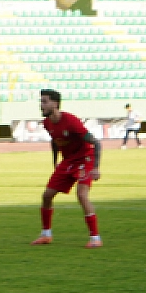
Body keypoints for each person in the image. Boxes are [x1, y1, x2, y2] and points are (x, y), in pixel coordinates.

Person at [32, 88, 103, 248]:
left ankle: (95, 237)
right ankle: (46, 235)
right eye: (41, 101)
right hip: (68, 161)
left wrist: (96, 167)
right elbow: (55, 140)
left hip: (85, 158)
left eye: (45, 101)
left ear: (55, 104)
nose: (41, 105)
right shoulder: (47, 123)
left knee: (82, 195)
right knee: (47, 195)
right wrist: (56, 162)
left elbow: (96, 142)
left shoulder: (71, 121)